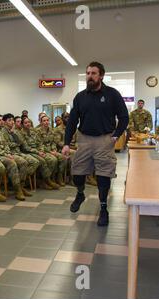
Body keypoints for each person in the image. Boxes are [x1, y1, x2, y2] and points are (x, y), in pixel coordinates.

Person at [63, 61, 129, 227]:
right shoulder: (80, 97)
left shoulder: (112, 94)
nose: (90, 76)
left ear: (101, 76)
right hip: (84, 139)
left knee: (103, 176)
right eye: (88, 73)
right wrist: (66, 143)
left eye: (93, 73)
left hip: (104, 140)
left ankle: (103, 209)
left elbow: (124, 117)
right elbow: (72, 121)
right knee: (77, 173)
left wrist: (116, 136)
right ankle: (80, 193)